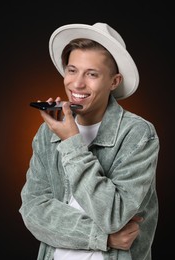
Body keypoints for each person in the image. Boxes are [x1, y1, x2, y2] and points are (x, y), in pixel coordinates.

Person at [19, 22, 160, 260]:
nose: (77, 84)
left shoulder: (137, 134)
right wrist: (103, 237)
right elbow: (33, 210)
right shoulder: (47, 133)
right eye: (72, 70)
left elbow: (113, 214)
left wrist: (72, 141)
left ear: (114, 82)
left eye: (92, 74)